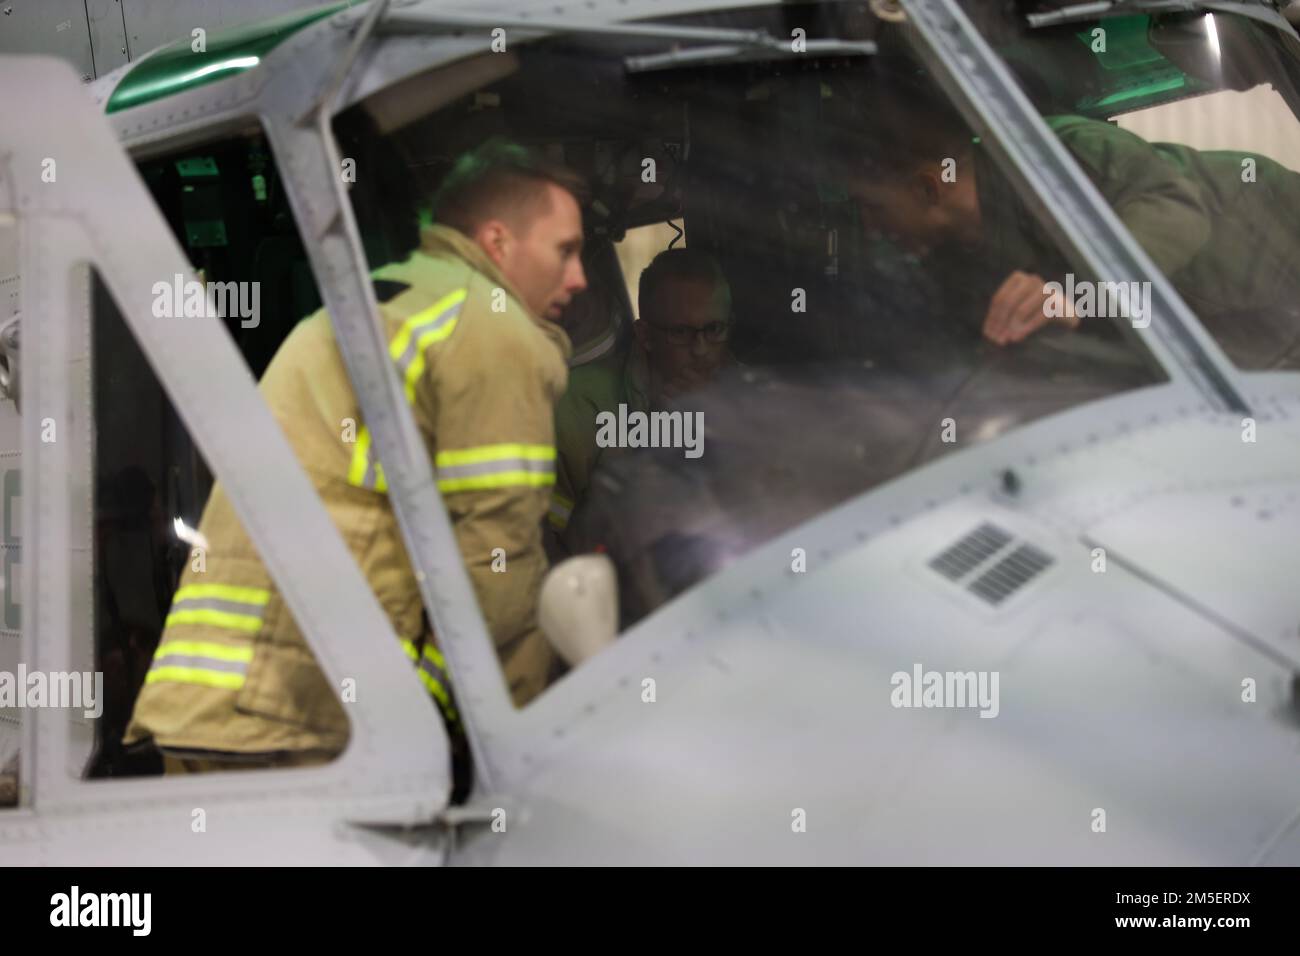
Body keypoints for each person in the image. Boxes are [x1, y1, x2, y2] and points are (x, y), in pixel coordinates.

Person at [124, 139, 587, 771]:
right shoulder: (487, 327)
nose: (580, 277)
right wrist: (514, 747)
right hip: (302, 719)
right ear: (499, 243)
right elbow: (495, 567)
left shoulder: (381, 306)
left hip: (211, 709)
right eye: (565, 251)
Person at [844, 96, 1300, 352]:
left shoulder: (1051, 151)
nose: (868, 226)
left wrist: (1077, 291)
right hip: (1244, 323)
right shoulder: (959, 259)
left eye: (873, 207)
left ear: (928, 189)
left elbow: (1176, 210)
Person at [549, 248, 732, 546]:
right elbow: (555, 545)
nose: (701, 349)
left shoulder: (746, 392)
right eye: (681, 332)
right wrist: (654, 440)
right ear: (645, 336)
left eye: (714, 329)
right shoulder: (579, 407)